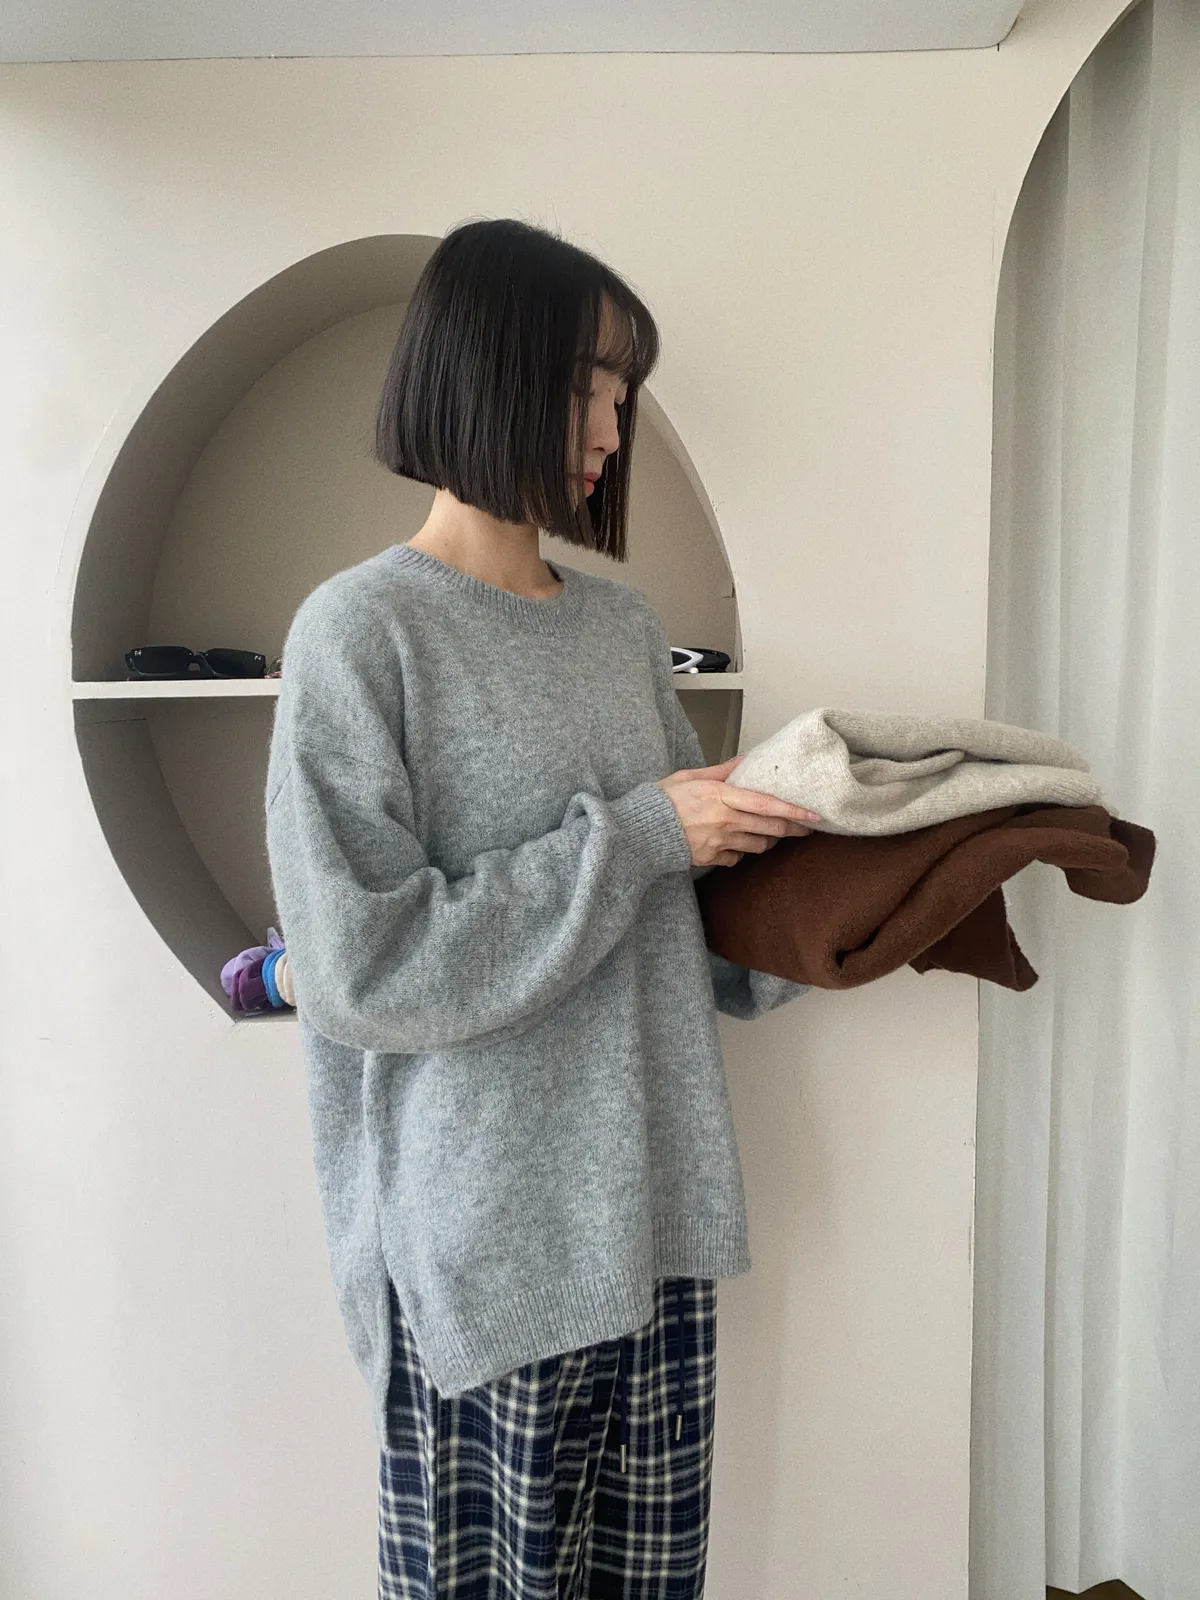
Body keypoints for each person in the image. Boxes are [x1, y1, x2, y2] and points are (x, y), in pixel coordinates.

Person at [264, 216, 822, 1599]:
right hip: (485, 1264)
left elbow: (679, 912)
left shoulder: (622, 630)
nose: (613, 427)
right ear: (484, 369)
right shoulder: (360, 633)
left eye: (623, 391)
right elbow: (362, 967)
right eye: (587, 384)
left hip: (656, 1220)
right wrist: (642, 834)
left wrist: (841, 889)